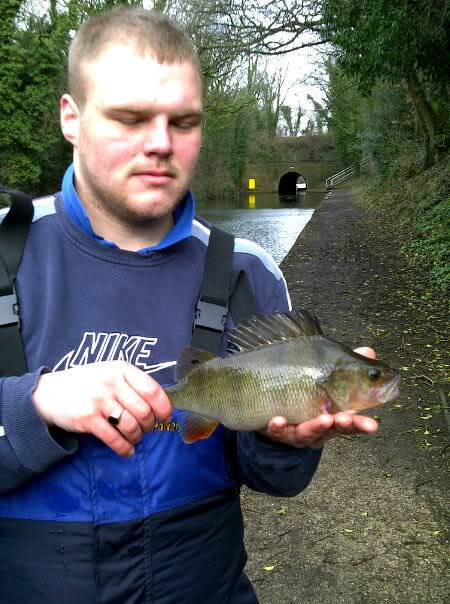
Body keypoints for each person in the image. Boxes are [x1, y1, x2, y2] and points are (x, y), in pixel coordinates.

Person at [0, 7, 378, 603]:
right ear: (71, 119)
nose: (160, 144)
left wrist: (286, 443)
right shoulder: (4, 252)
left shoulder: (248, 273)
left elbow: (268, 475)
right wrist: (33, 404)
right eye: (130, 117)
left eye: (184, 122)